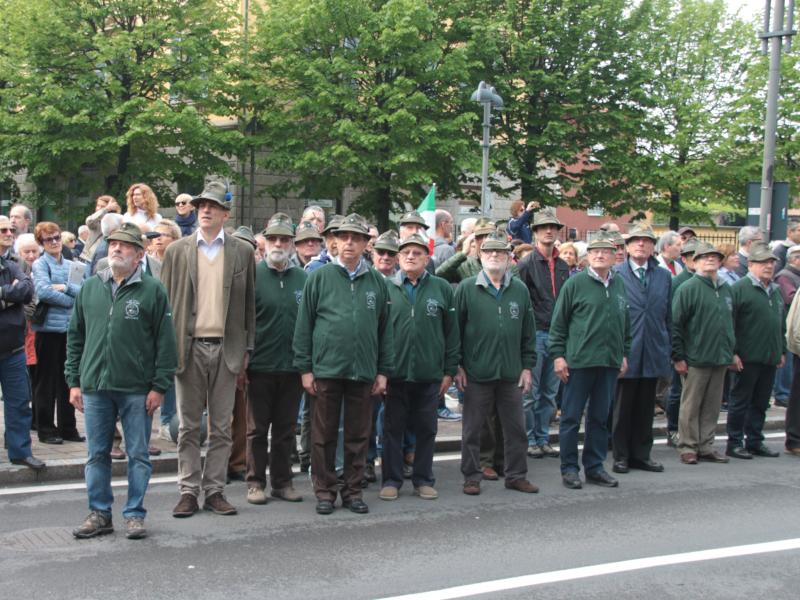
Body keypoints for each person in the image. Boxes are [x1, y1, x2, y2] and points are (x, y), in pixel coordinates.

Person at [66, 222, 177, 539]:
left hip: (136, 388)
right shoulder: (91, 287)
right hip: (96, 387)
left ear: (139, 255)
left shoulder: (153, 290)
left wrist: (159, 386)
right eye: (113, 243)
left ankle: (134, 514)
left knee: (138, 455)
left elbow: (166, 344)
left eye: (125, 245)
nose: (116, 248)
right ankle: (100, 513)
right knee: (96, 454)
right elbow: (75, 337)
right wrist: (74, 381)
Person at [161, 181, 255, 518]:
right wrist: (165, 349)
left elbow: (248, 307)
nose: (205, 210)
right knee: (187, 426)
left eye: (213, 206)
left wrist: (247, 349)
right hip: (188, 348)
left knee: (221, 427)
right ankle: (188, 490)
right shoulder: (177, 251)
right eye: (201, 205)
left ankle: (214, 490)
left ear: (226, 214)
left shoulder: (242, 252)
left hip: (227, 349)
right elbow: (166, 304)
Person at [293, 213, 394, 515]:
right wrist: (305, 368)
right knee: (322, 435)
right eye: (344, 237)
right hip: (326, 369)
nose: (349, 242)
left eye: (356, 238)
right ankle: (325, 491)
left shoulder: (376, 281)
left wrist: (383, 371)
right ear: (334, 241)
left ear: (366, 244)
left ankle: (352, 490)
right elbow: (304, 325)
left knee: (358, 434)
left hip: (362, 371)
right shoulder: (319, 277)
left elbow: (385, 330)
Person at [455, 230, 538, 496]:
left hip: (511, 373)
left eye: (500, 252)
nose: (494, 255)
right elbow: (454, 332)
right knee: (473, 429)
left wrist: (527, 367)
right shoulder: (467, 288)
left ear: (509, 257)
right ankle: (471, 476)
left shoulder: (520, 290)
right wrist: (457, 366)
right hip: (477, 372)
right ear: (480, 256)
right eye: (489, 251)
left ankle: (516, 475)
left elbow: (528, 332)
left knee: (516, 429)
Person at [379, 233, 459, 501]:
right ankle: (391, 479)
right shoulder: (387, 288)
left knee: (426, 429)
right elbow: (378, 332)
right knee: (392, 430)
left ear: (427, 257)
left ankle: (423, 479)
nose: (411, 257)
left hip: (429, 374)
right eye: (406, 253)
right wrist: (381, 371)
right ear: (398, 258)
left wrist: (449, 371)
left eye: (417, 253)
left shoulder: (442, 288)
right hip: (395, 374)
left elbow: (452, 333)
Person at [549, 234, 630, 490]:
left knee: (599, 418)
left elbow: (625, 323)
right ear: (588, 256)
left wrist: (623, 353)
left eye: (605, 251)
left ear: (614, 255)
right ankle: (570, 469)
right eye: (595, 251)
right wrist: (559, 356)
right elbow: (559, 323)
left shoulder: (619, 285)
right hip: (578, 362)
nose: (600, 255)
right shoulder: (575, 284)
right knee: (571, 418)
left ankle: (595, 467)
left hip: (608, 362)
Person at [245, 214, 307, 505]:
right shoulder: (252, 276)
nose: (278, 244)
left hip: (292, 367)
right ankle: (255, 482)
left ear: (293, 245)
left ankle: (283, 482)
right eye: (273, 239)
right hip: (259, 366)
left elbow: (310, 324)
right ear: (264, 242)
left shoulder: (303, 279)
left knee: (285, 430)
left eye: (284, 239)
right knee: (257, 430)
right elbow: (241, 322)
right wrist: (243, 360)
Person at [611, 224, 671, 474]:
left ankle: (642, 454)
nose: (641, 245)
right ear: (626, 246)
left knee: (646, 407)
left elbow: (668, 314)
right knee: (623, 408)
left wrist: (667, 347)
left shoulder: (663, 275)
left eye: (646, 241)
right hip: (628, 349)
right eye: (636, 241)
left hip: (653, 347)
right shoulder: (616, 273)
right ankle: (621, 455)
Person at [671, 242, 735, 465]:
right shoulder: (688, 288)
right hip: (695, 357)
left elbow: (731, 323)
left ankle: (706, 444)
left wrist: (731, 351)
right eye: (705, 257)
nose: (710, 260)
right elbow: (676, 324)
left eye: (714, 257)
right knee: (690, 404)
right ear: (695, 262)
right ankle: (688, 446)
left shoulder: (726, 289)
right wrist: (678, 356)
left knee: (712, 404)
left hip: (719, 356)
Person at [517, 209, 568, 460]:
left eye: (553, 227)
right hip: (536, 333)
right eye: (543, 227)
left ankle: (543, 437)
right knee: (530, 393)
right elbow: (522, 302)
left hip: (557, 336)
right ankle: (529, 439)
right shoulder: (526, 264)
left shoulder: (563, 266)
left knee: (549, 393)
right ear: (535, 232)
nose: (549, 231)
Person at [726, 243, 783, 459]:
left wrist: (781, 350)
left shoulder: (775, 290)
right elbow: (729, 323)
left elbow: (780, 323)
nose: (768, 266)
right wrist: (733, 352)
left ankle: (755, 440)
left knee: (761, 402)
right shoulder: (739, 288)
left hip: (769, 355)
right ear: (750, 264)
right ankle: (734, 442)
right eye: (763, 262)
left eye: (771, 262)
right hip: (746, 356)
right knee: (740, 401)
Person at [31, 221, 85, 445]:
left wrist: (64, 288)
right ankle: (45, 428)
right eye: (48, 239)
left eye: (56, 237)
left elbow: (83, 290)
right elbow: (43, 291)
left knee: (68, 379)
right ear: (41, 243)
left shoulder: (73, 264)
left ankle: (68, 427)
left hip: (69, 330)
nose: (54, 242)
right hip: (47, 331)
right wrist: (69, 300)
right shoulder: (40, 264)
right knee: (46, 382)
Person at [1, 219, 45, 471]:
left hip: (14, 348)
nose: (9, 234)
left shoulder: (15, 263)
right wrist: (9, 294)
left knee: (19, 402)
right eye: (3, 231)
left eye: (11, 230)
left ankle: (20, 451)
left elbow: (27, 292)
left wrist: (5, 293)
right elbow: (17, 293)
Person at [81, 195, 121, 262]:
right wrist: (106, 209)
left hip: (110, 257)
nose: (99, 208)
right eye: (98, 205)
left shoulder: (117, 220)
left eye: (102, 206)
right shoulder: (95, 221)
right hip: (91, 258)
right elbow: (89, 221)